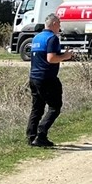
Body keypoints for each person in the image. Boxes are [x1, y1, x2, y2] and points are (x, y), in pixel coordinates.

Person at [26, 13, 74, 148]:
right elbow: (51, 58)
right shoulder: (52, 38)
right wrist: (65, 56)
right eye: (59, 24)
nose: (60, 27)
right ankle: (41, 134)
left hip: (34, 77)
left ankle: (31, 136)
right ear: (53, 24)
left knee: (37, 108)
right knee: (55, 107)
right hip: (47, 78)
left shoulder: (36, 37)